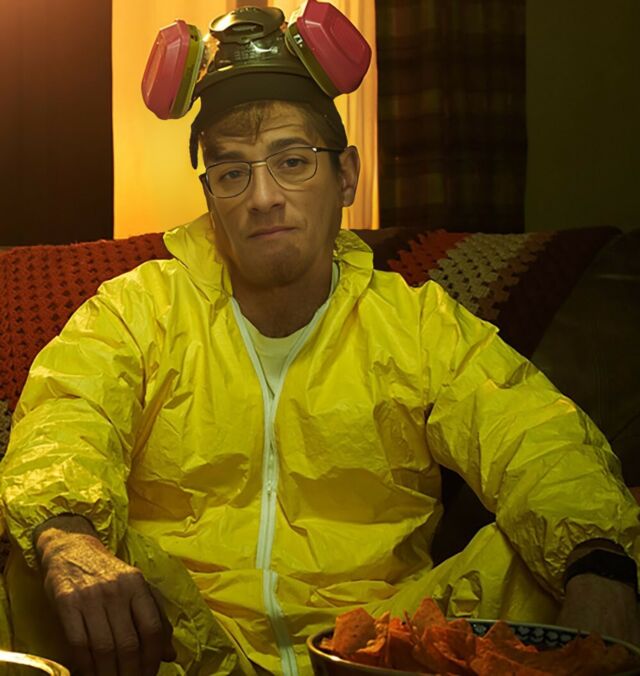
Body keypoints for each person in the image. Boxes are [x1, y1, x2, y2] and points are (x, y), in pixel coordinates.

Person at [1, 3, 639, 676]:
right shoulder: (138, 308)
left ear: (347, 176)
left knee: (573, 564)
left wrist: (598, 564)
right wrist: (69, 538)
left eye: (292, 161)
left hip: (377, 649)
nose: (263, 197)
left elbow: (534, 436)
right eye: (232, 172)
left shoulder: (417, 323)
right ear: (211, 195)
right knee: (39, 565)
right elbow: (69, 417)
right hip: (173, 644)